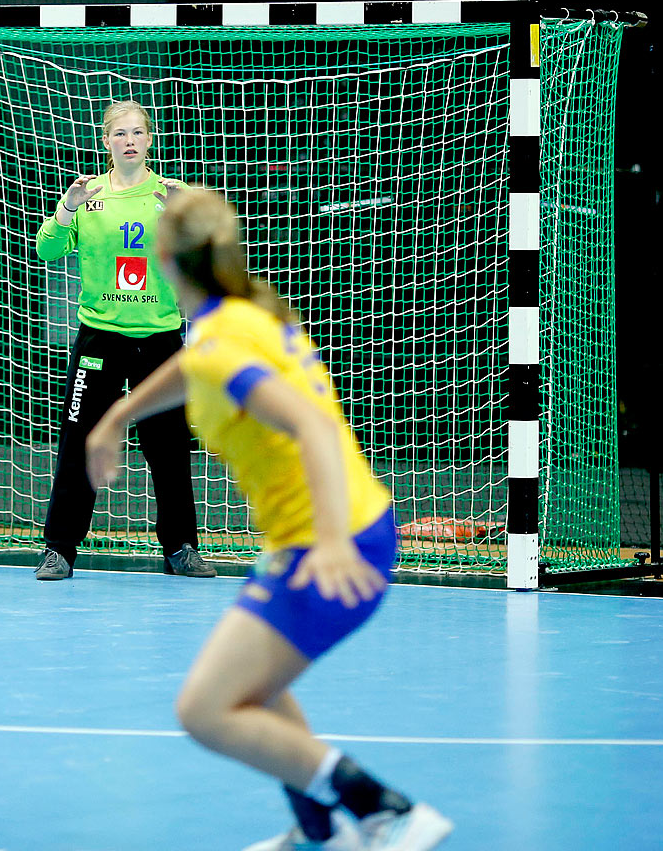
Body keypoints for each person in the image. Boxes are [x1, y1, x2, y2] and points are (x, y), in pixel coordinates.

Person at [85, 189, 453, 851]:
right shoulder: (241, 316)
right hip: (342, 527)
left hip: (331, 540)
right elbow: (195, 367)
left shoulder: (222, 342)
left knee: (203, 710)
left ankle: (385, 809)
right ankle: (318, 827)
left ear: (162, 258)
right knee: (259, 686)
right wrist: (114, 419)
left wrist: (333, 543)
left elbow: (308, 422)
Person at [32, 100, 215, 581]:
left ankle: (181, 548)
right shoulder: (86, 198)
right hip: (101, 337)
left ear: (150, 139)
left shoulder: (171, 195)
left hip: (159, 339)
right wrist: (67, 208)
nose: (129, 140)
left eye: (138, 132)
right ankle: (60, 550)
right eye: (120, 134)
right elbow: (47, 250)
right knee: (81, 441)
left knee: (170, 445)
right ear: (107, 141)